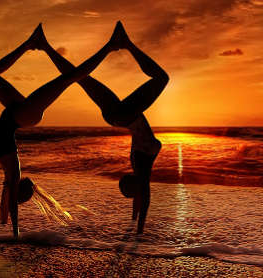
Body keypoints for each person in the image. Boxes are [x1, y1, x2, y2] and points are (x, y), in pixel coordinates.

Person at [0, 23, 114, 238]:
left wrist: (3, 224)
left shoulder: (10, 179)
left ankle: (31, 43)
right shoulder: (13, 171)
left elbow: (6, 205)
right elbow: (9, 203)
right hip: (23, 114)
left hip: (17, 111)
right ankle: (107, 48)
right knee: (70, 78)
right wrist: (16, 232)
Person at [42, 21, 169, 234]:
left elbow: (143, 199)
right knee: (81, 79)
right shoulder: (139, 167)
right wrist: (135, 224)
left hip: (123, 115)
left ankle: (126, 44)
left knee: (161, 78)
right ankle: (46, 48)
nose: (140, 192)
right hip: (116, 116)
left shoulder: (142, 168)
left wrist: (138, 230)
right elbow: (140, 199)